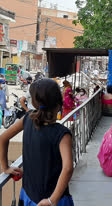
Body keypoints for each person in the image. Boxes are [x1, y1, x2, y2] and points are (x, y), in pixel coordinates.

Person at [0, 78, 74, 206]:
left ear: (34, 103)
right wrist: (53, 200)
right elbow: (67, 168)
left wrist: (5, 167)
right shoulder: (62, 134)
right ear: (59, 103)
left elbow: (3, 138)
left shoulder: (27, 119)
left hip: (28, 195)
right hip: (52, 200)